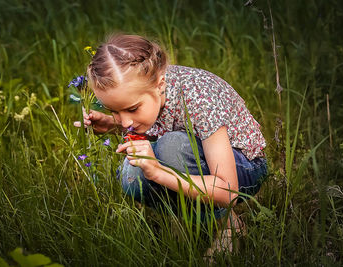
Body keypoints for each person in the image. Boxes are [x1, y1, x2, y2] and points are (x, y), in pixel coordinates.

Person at [73, 33, 268, 252]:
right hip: (197, 161)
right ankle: (187, 216)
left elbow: (229, 191)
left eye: (132, 109)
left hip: (243, 168)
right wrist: (111, 124)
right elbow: (143, 124)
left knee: (172, 146)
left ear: (160, 84)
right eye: (114, 110)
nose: (125, 121)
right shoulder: (147, 89)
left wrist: (158, 173)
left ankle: (228, 227)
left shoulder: (199, 97)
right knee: (131, 174)